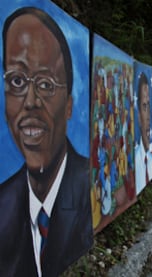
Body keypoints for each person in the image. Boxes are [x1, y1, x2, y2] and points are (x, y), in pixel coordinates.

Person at [0, 7, 93, 276]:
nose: (29, 102)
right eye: (16, 81)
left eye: (45, 84)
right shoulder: (4, 205)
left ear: (69, 106)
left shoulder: (92, 183)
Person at [135, 72, 152, 194]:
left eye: (149, 105)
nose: (148, 117)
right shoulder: (134, 163)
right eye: (144, 106)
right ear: (138, 116)